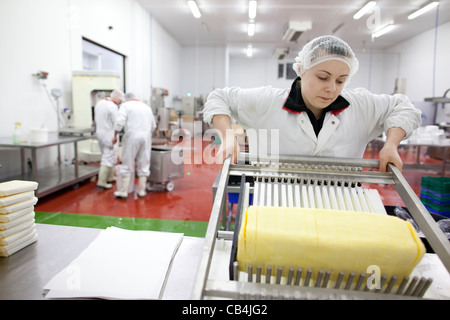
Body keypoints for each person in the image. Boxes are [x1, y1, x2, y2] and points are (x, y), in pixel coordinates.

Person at [203, 35, 422, 172]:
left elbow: (403, 107)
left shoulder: (360, 105)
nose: (332, 88)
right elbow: (219, 97)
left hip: (339, 202)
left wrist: (391, 144)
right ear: (301, 70)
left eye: (340, 81)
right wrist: (228, 136)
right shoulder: (268, 102)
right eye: (323, 77)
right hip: (276, 201)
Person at [112, 92, 156, 199]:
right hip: (146, 137)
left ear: (127, 99)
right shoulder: (147, 107)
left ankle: (124, 192)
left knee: (127, 163)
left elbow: (119, 122)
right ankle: (141, 191)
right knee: (144, 163)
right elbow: (153, 125)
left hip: (132, 137)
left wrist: (115, 135)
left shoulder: (125, 106)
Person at [94, 89, 124, 189]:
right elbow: (117, 123)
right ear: (117, 98)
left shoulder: (100, 103)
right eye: (121, 100)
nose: (121, 102)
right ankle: (101, 182)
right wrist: (115, 135)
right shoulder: (113, 107)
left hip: (100, 132)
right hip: (109, 134)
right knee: (108, 157)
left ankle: (110, 177)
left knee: (107, 155)